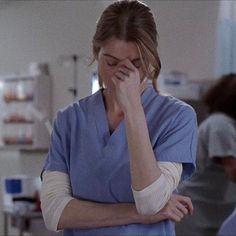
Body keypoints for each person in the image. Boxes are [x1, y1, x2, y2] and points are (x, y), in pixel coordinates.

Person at [40, 1, 198, 235]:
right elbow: (54, 212)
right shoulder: (70, 120)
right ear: (96, 53)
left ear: (151, 59)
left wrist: (133, 107)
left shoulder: (177, 117)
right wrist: (135, 214)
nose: (121, 75)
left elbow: (150, 201)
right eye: (111, 63)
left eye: (136, 64)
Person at [176, 73, 236, 236]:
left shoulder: (228, 126)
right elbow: (233, 171)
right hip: (195, 210)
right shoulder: (220, 125)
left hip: (211, 210)